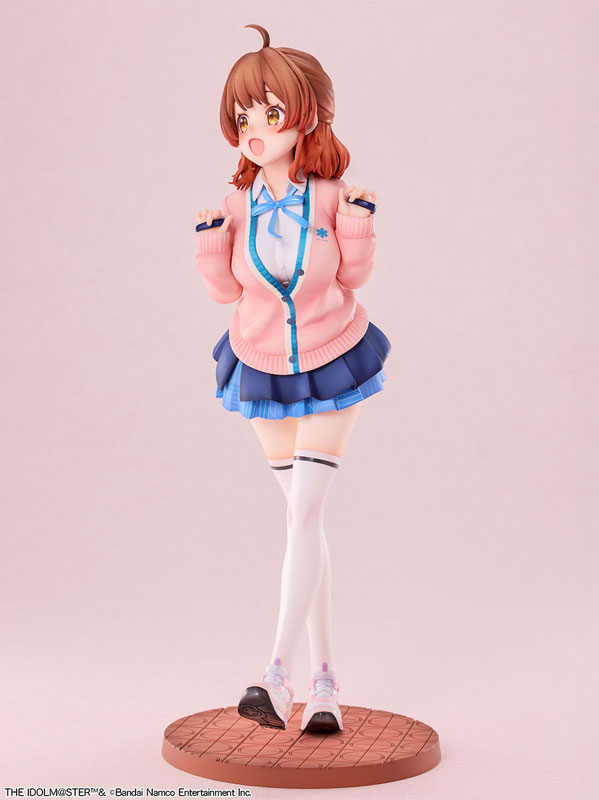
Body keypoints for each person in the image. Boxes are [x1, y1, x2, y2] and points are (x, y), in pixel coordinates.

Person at [195, 24, 391, 734]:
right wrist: (210, 245)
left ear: (305, 116)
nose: (253, 127)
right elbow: (226, 292)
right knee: (303, 523)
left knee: (302, 516)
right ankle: (327, 683)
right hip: (261, 367)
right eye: (242, 113)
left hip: (333, 355)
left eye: (269, 112)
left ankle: (274, 677)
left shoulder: (332, 197)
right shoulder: (237, 206)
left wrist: (360, 224)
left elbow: (351, 276)